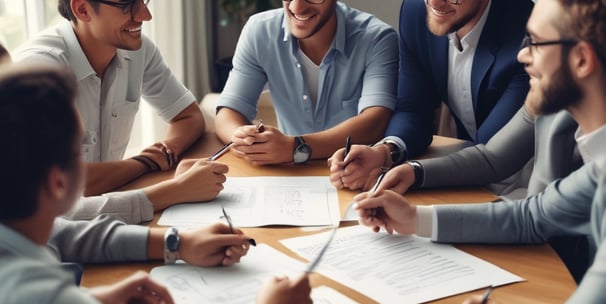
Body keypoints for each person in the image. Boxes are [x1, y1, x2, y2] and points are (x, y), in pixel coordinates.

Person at [354, 0, 606, 301]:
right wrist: (413, 218)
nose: (522, 54)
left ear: (581, 60)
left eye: (536, 43)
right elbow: (531, 216)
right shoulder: (597, 164)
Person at [0, 63, 311, 304]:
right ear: (57, 182)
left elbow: (67, 233)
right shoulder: (31, 290)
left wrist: (177, 243)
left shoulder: (18, 232)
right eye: (77, 152)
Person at [13, 0, 222, 209]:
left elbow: (189, 116)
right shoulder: (39, 72)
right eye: (127, 5)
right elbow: (64, 183)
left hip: (109, 206)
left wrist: (164, 152)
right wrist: (146, 163)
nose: (145, 15)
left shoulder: (138, 49)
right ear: (83, 9)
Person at [329, 0, 533, 191]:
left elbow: (491, 152)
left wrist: (411, 173)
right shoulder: (416, 11)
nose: (434, 4)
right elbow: (413, 108)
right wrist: (384, 153)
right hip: (465, 181)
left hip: (526, 185)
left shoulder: (527, 28)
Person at [214, 0, 398, 165]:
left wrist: (296, 147)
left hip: (356, 170)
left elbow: (376, 122)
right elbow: (228, 112)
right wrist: (242, 138)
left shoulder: (377, 38)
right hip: (289, 173)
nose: (296, 7)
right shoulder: (259, 31)